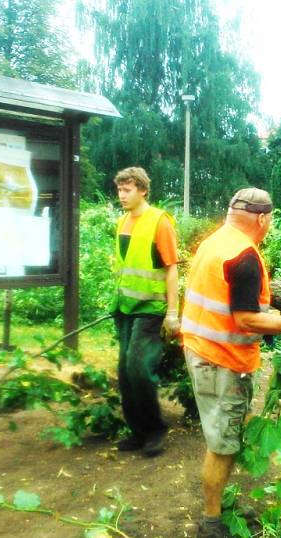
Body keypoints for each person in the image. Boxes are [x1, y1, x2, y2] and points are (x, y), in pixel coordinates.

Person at [180, 187, 281, 538]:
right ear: (262, 219)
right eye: (270, 220)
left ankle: (219, 509)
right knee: (222, 445)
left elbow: (228, 306)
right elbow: (244, 318)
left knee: (222, 439)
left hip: (201, 350)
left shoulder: (214, 243)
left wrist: (273, 317)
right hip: (222, 361)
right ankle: (210, 528)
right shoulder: (244, 257)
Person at [111, 167, 180, 457]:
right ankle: (137, 432)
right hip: (125, 307)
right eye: (119, 190)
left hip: (150, 308)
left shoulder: (159, 221)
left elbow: (171, 268)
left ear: (142, 190)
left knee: (139, 368)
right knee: (125, 372)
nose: (121, 195)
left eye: (127, 190)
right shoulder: (122, 222)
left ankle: (155, 430)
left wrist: (172, 313)